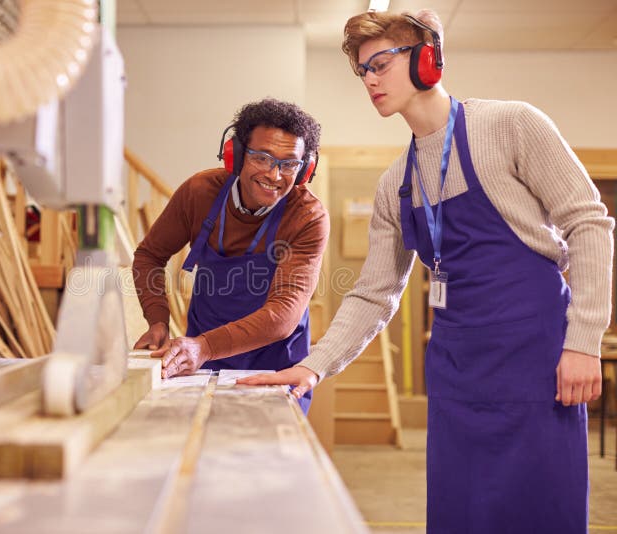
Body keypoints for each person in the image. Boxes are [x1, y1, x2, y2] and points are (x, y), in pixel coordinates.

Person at [239, 9, 613, 533]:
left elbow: (590, 223)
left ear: (428, 60)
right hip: (457, 377)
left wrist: (584, 342)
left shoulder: (511, 125)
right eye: (362, 70)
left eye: (381, 63)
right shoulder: (397, 182)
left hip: (535, 366)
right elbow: (374, 294)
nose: (370, 79)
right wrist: (314, 365)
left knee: (539, 514)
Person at [132, 98, 328, 412]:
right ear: (235, 156)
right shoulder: (199, 193)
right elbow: (149, 256)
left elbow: (284, 315)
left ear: (305, 169)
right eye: (262, 158)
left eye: (289, 163)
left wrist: (204, 346)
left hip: (275, 366)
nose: (275, 174)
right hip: (202, 361)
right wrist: (157, 320)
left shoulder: (307, 217)